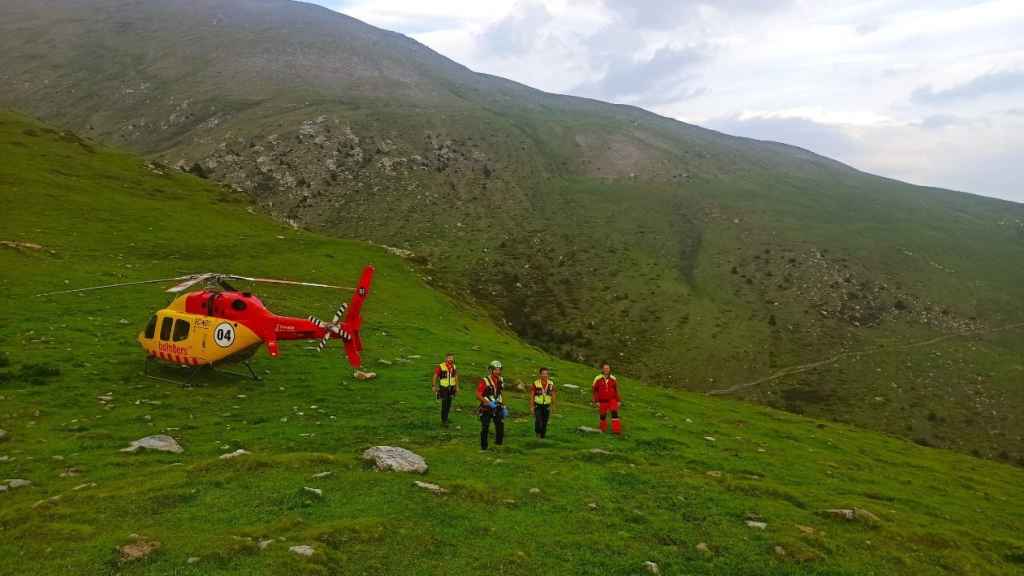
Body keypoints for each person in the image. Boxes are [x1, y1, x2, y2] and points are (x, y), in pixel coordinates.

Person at [477, 360, 506, 450]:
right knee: (485, 427)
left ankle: (498, 446)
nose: (498, 372)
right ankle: (484, 447)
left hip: (498, 406)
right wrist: (488, 403)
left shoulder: (501, 380)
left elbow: (501, 393)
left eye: (499, 369)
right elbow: (478, 394)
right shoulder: (484, 381)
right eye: (496, 370)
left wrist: (504, 406)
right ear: (491, 370)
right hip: (486, 407)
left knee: (500, 426)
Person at [592, 362, 622, 434]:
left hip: (612, 399)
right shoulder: (597, 378)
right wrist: (596, 401)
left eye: (607, 368)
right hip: (602, 400)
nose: (606, 370)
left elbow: (616, 390)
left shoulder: (613, 378)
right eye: (605, 368)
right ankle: (602, 429)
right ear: (602, 369)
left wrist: (618, 400)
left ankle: (616, 431)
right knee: (603, 415)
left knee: (614, 412)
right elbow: (594, 390)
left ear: (610, 369)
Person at [432, 352, 459, 426]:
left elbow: (456, 376)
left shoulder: (454, 366)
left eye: (452, 358)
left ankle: (446, 418)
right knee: (444, 404)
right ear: (446, 358)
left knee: (449, 404)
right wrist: (434, 386)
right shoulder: (440, 366)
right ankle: (443, 420)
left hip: (452, 388)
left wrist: (457, 387)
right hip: (443, 388)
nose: (451, 359)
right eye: (449, 358)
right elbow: (435, 376)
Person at [530, 367, 556, 439]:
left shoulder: (551, 384)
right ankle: (537, 432)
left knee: (545, 422)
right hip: (538, 405)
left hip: (547, 405)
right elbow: (532, 395)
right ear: (540, 375)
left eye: (546, 374)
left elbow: (553, 394)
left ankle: (542, 438)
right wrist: (532, 406)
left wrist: (553, 405)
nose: (545, 375)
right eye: (543, 374)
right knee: (538, 420)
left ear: (548, 375)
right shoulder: (535, 383)